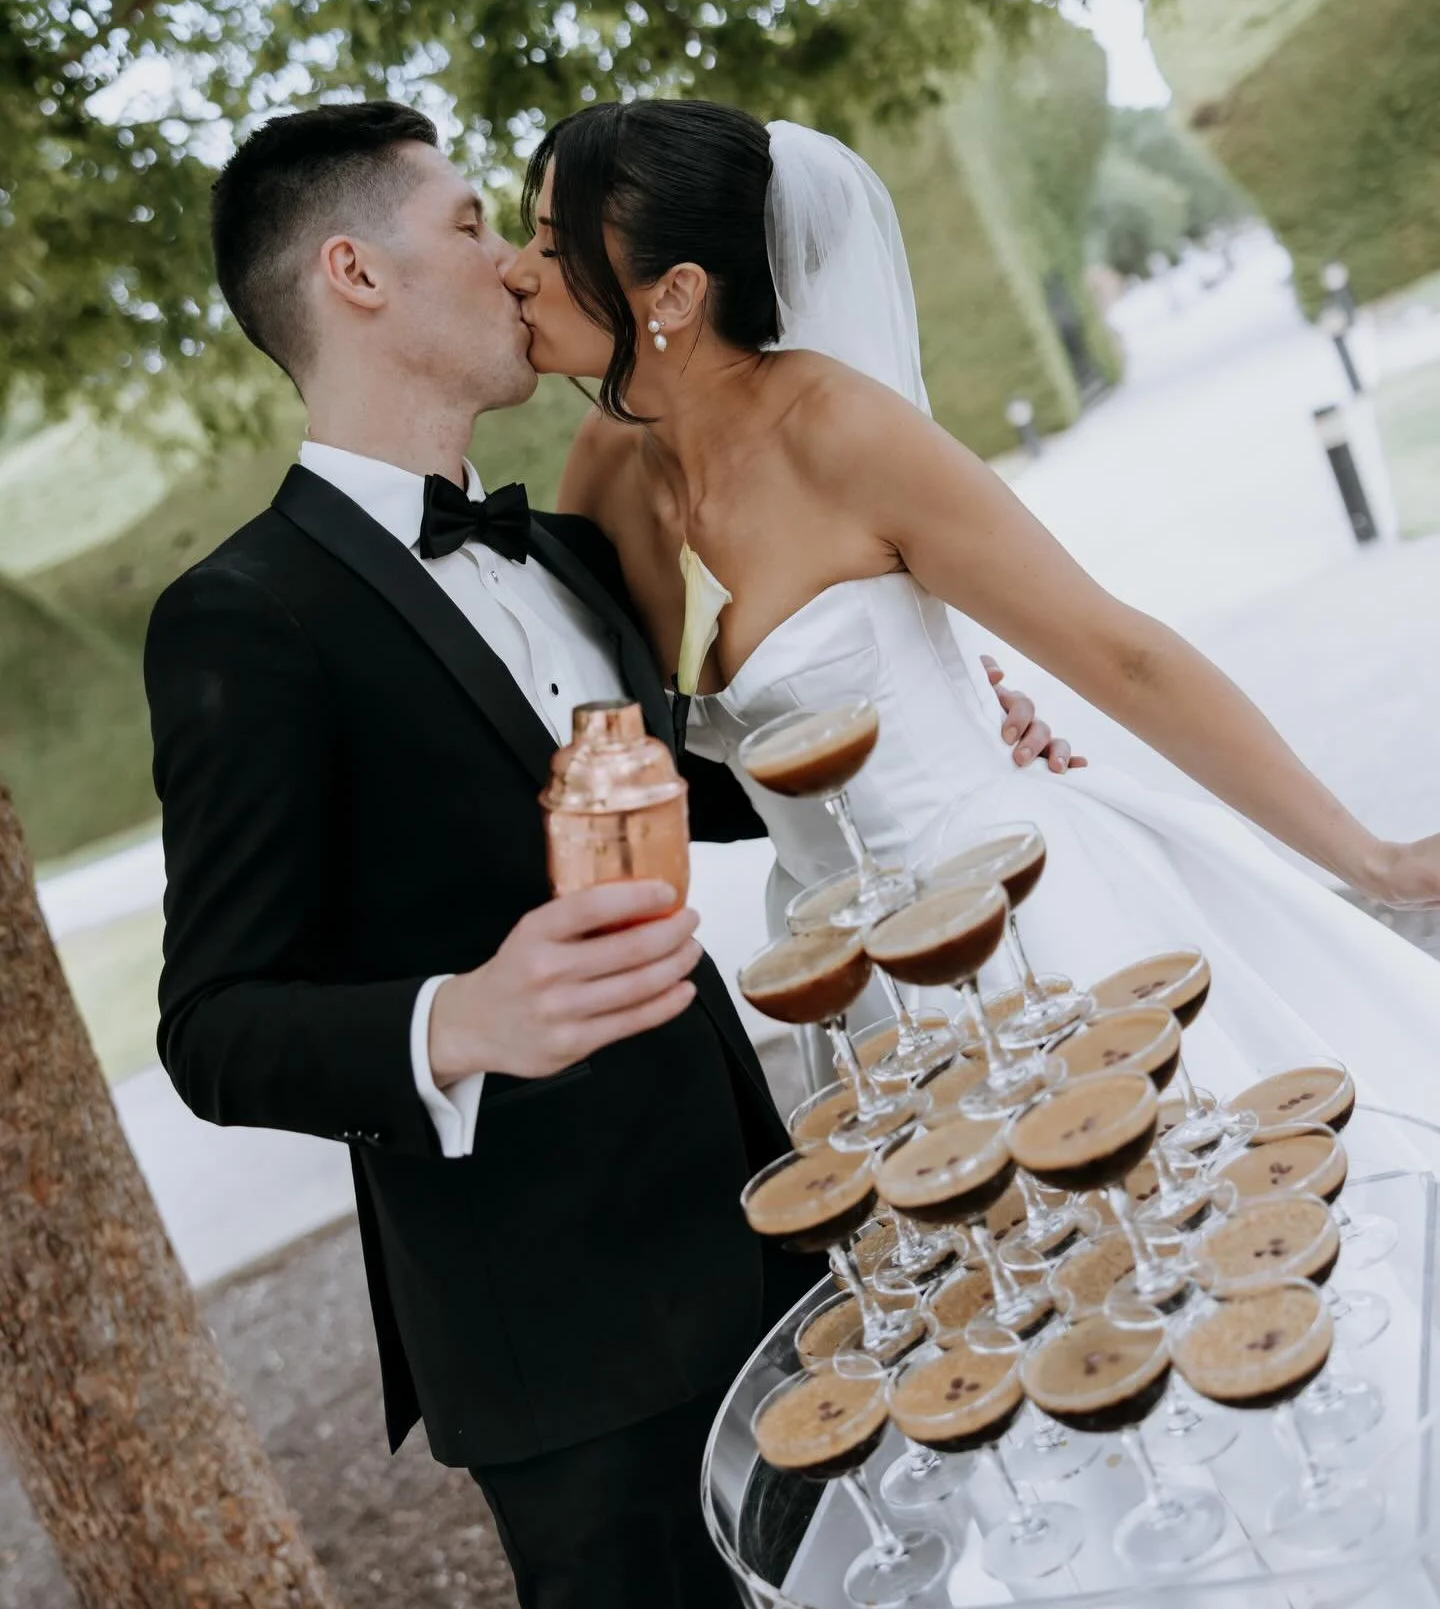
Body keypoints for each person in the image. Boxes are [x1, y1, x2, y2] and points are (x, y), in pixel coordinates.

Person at [143, 100, 1063, 1609]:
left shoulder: (565, 551)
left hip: (776, 1231)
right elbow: (214, 1025)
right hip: (554, 1335)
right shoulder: (241, 617)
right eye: (472, 222)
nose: (516, 263)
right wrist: (458, 1019)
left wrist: (927, 716)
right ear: (355, 274)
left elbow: (698, 774)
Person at [504, 99, 1440, 1117]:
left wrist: (1374, 860)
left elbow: (1121, 653)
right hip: (846, 980)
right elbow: (625, 756)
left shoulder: (845, 432)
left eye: (550, 248)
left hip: (1016, 924)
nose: (515, 269)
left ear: (673, 293)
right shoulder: (602, 468)